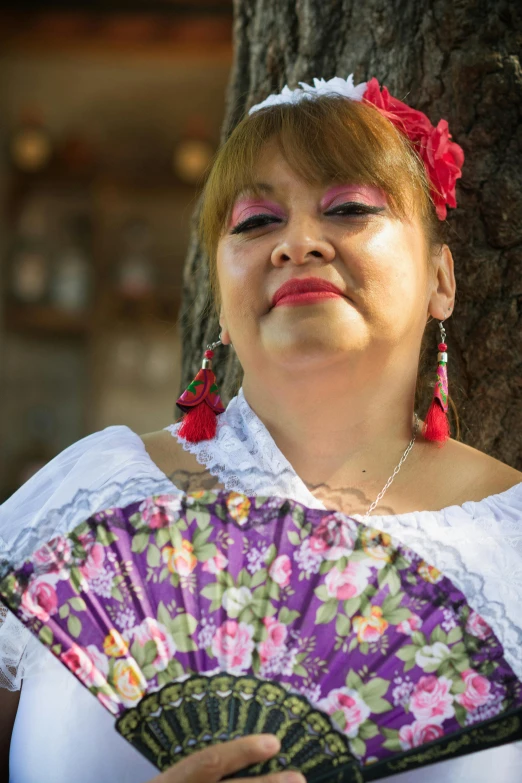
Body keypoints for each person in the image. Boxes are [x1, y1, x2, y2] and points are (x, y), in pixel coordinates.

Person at [1, 75, 521, 783]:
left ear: (441, 279)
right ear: (219, 301)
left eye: (348, 208)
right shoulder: (91, 492)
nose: (298, 243)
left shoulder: (512, 544)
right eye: (255, 222)